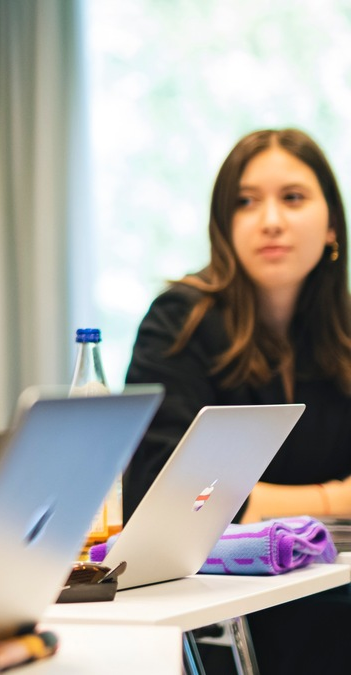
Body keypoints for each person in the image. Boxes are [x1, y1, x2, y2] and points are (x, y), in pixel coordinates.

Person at [123, 128, 351, 674]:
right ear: (223, 226)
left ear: (331, 228)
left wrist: (269, 502)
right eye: (246, 202)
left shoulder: (343, 332)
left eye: (292, 198)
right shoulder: (179, 323)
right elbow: (171, 500)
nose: (270, 219)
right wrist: (333, 498)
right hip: (223, 608)